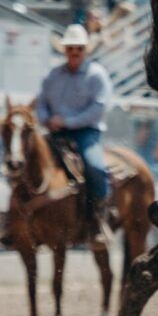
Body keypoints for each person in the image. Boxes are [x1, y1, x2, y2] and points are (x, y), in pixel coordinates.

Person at [34, 24, 113, 246]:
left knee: (95, 166)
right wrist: (46, 119)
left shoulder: (97, 75)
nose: (74, 52)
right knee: (27, 161)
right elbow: (41, 104)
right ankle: (16, 220)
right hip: (55, 132)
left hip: (86, 132)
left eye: (78, 48)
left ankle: (98, 218)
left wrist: (67, 121)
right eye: (70, 48)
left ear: (85, 50)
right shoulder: (53, 76)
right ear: (65, 50)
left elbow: (98, 109)